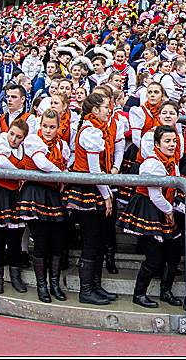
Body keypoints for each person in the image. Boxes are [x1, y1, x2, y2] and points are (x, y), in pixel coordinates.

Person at [117, 124, 183, 308]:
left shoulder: (171, 161)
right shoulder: (152, 163)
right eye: (167, 141)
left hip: (163, 208)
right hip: (149, 209)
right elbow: (155, 195)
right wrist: (169, 212)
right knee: (154, 258)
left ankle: (166, 291)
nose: (171, 145)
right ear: (157, 143)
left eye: (174, 141)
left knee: (174, 254)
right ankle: (139, 294)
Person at [65, 93, 116, 305]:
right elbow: (94, 170)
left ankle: (95, 286)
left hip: (92, 187)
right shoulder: (91, 131)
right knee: (92, 241)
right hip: (87, 189)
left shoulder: (93, 128)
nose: (109, 111)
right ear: (95, 110)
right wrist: (107, 195)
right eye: (106, 107)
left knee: (97, 241)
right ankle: (86, 290)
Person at [18, 108, 70, 303]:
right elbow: (42, 163)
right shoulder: (33, 140)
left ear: (58, 127)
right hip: (36, 192)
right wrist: (61, 176)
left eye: (52, 127)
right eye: (45, 126)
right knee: (41, 241)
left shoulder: (62, 145)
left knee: (57, 242)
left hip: (54, 195)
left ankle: (54, 284)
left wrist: (61, 176)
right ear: (40, 126)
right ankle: (42, 286)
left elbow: (66, 162)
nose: (48, 130)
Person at [0, 118, 29, 294]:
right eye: (12, 134)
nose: (13, 139)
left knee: (15, 240)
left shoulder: (24, 149)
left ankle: (16, 277)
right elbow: (2, 163)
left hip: (14, 196)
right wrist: (19, 175)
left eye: (18, 137)